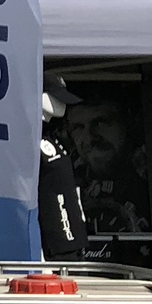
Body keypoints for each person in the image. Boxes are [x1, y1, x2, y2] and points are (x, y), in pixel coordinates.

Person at [39, 79, 86, 260]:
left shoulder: (53, 138)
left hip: (72, 237)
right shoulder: (30, 138)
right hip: (55, 240)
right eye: (55, 97)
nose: (62, 104)